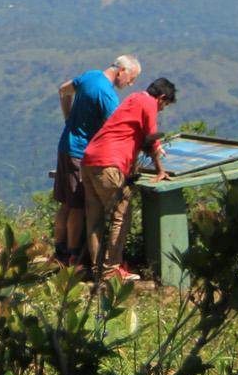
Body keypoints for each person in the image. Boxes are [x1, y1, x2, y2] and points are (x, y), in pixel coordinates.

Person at [78, 77, 176, 280]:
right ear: (162, 97)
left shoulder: (133, 98)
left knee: (95, 219)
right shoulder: (149, 103)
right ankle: (111, 271)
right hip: (109, 164)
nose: (161, 110)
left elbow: (131, 136)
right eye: (164, 106)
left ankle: (98, 271)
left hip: (89, 160)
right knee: (120, 216)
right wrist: (160, 170)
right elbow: (152, 138)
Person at [51, 55, 141, 264]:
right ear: (122, 71)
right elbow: (116, 128)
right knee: (77, 205)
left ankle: (59, 250)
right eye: (131, 78)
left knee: (66, 203)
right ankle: (73, 256)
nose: (131, 84)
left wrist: (68, 119)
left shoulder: (90, 76)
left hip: (65, 145)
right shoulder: (106, 94)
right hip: (81, 151)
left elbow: (63, 90)